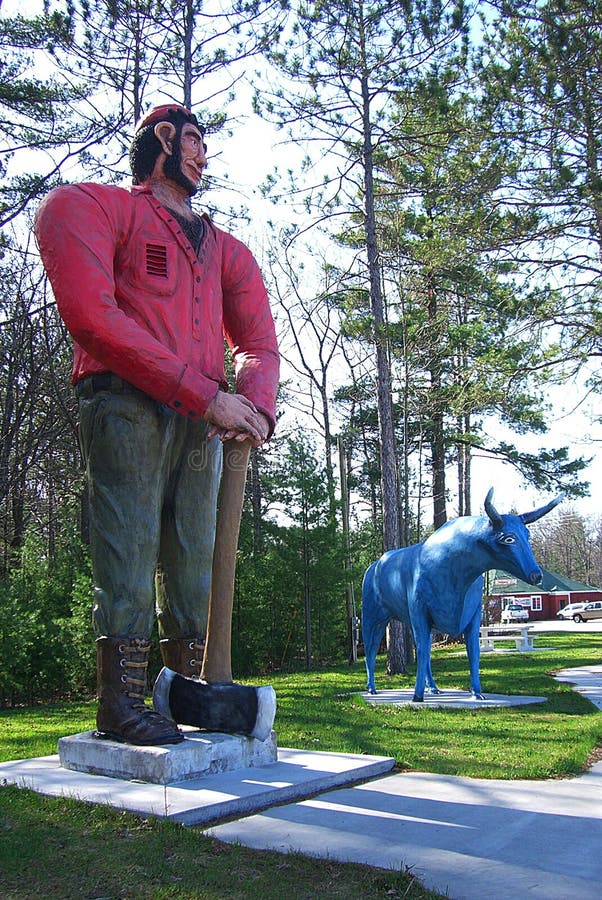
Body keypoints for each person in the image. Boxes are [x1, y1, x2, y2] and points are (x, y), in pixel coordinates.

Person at [35, 104, 279, 746]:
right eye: (195, 141)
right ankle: (121, 702)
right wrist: (205, 394)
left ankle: (183, 691)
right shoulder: (103, 208)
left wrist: (253, 403)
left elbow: (257, 339)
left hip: (202, 421)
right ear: (164, 140)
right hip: (124, 402)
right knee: (129, 543)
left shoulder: (224, 249)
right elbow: (92, 318)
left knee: (195, 554)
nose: (204, 155)